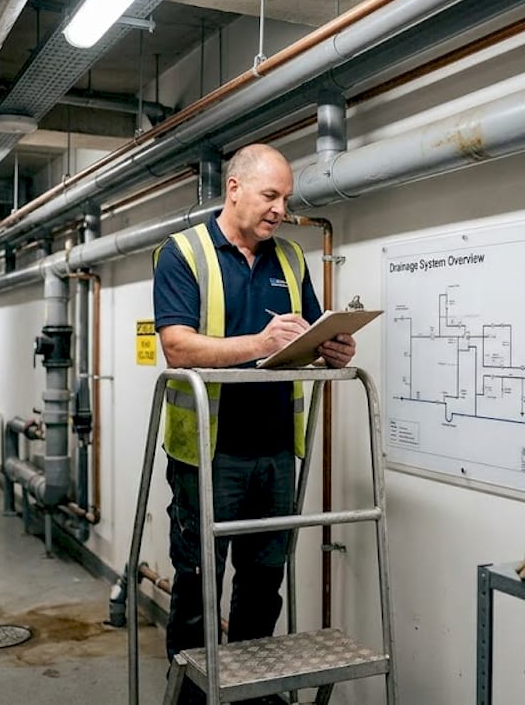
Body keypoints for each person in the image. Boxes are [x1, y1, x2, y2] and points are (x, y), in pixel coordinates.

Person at [152, 143, 356, 704]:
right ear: (234, 189)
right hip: (209, 454)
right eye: (271, 195)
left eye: (286, 199)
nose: (280, 210)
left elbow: (306, 334)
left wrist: (332, 349)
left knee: (264, 582)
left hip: (275, 451)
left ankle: (248, 694)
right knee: (198, 583)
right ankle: (192, 698)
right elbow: (177, 347)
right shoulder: (183, 253)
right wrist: (259, 343)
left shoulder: (290, 258)